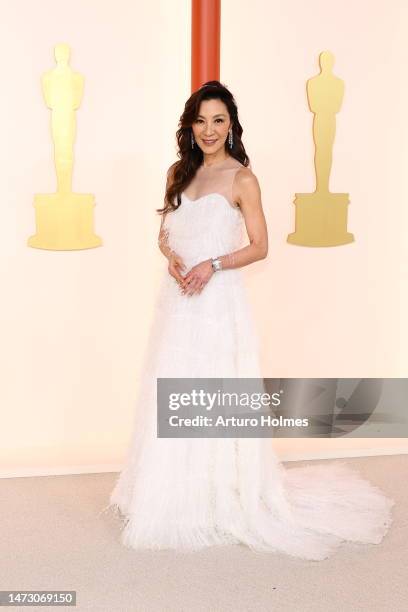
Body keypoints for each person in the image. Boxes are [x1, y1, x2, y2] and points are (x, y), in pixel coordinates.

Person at [105, 81, 394, 561]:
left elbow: (260, 245)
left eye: (218, 120)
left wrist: (211, 265)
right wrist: (173, 258)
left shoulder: (243, 180)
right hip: (178, 303)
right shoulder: (180, 172)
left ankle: (220, 494)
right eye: (200, 120)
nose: (209, 130)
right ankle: (172, 492)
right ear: (190, 127)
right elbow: (164, 234)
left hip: (217, 307)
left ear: (232, 126)